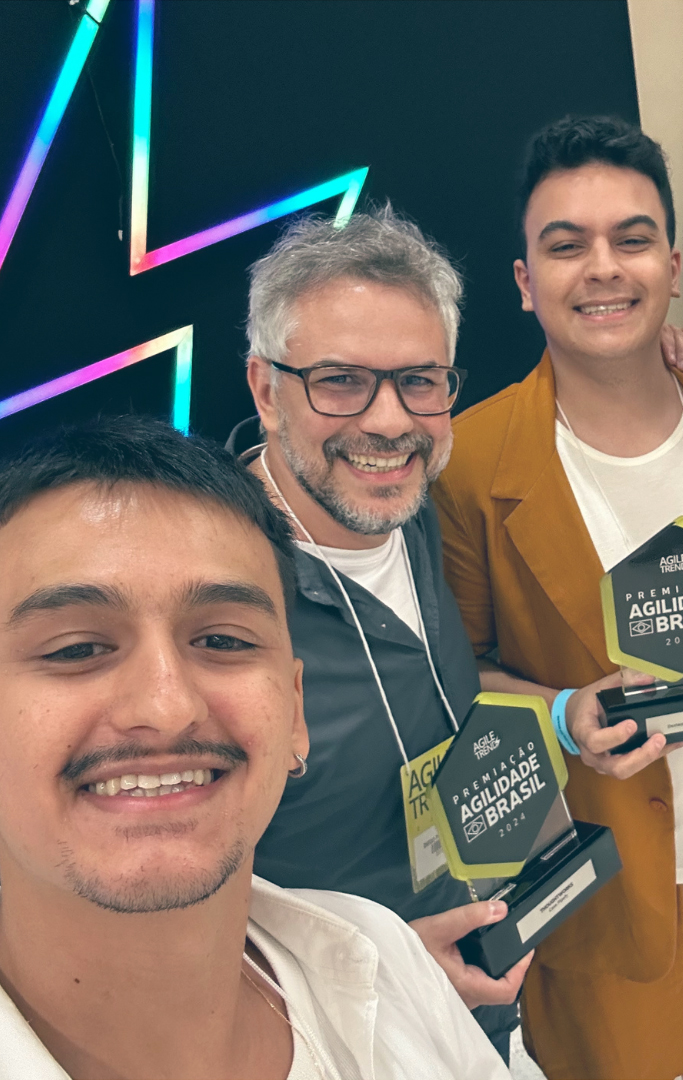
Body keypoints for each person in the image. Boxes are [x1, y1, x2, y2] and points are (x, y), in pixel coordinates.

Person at [432, 115, 683, 1080]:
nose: (602, 267)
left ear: (674, 265)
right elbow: (455, 674)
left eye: (631, 238)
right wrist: (563, 714)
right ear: (525, 284)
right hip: (604, 877)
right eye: (566, 245)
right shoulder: (473, 464)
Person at [0, 417, 511, 1080]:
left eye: (223, 641)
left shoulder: (378, 954)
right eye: (76, 649)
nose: (166, 707)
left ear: (294, 712)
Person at [231, 208, 523, 1061]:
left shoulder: (414, 513)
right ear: (264, 389)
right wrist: (373, 963)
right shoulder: (202, 594)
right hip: (321, 1032)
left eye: (420, 381)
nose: (390, 421)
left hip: (474, 991)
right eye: (340, 380)